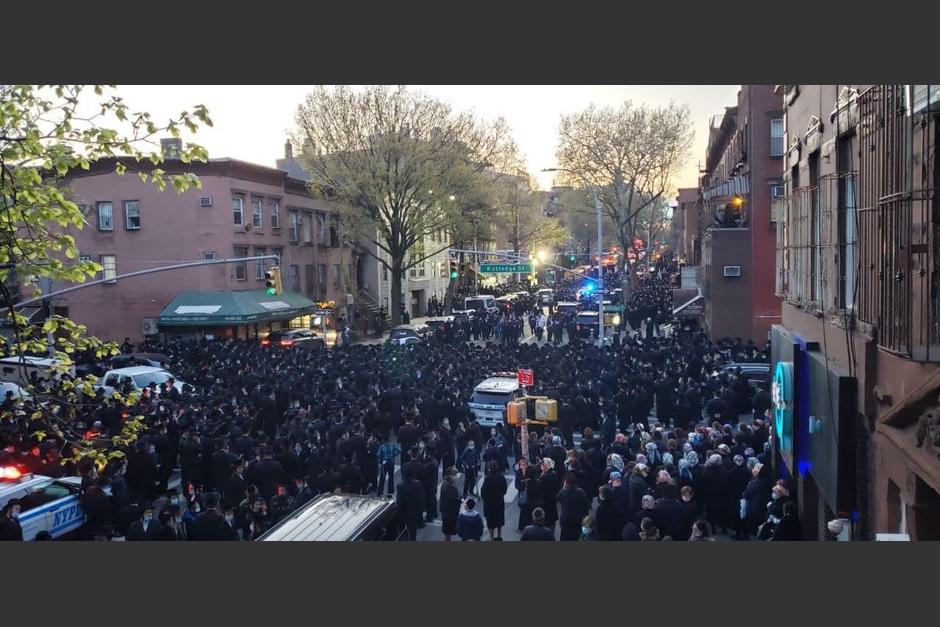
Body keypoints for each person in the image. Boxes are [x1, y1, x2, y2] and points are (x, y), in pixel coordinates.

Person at [557, 472, 590, 541]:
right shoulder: (581, 492)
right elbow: (585, 506)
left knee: (564, 537)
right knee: (576, 536)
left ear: (566, 483)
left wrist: (563, 488)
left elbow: (558, 498)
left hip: (566, 520)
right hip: (577, 520)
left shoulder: (563, 492)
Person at [395, 467, 425, 541]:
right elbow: (421, 499)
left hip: (404, 513)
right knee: (413, 532)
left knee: (403, 532)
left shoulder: (400, 486)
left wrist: (398, 513)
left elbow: (399, 502)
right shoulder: (418, 485)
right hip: (415, 512)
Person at [480, 461, 507, 541]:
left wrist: (485, 498)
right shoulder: (501, 477)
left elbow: (483, 492)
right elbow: (504, 490)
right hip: (499, 501)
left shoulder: (487, 478)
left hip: (489, 503)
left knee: (490, 521)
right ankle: (499, 535)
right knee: (499, 519)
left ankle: (491, 537)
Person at [439, 467, 461, 542]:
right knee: (447, 533)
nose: (456, 476)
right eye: (455, 475)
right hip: (448, 512)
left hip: (449, 511)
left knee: (448, 533)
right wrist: (460, 500)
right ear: (450, 475)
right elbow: (454, 497)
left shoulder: (449, 483)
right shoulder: (448, 485)